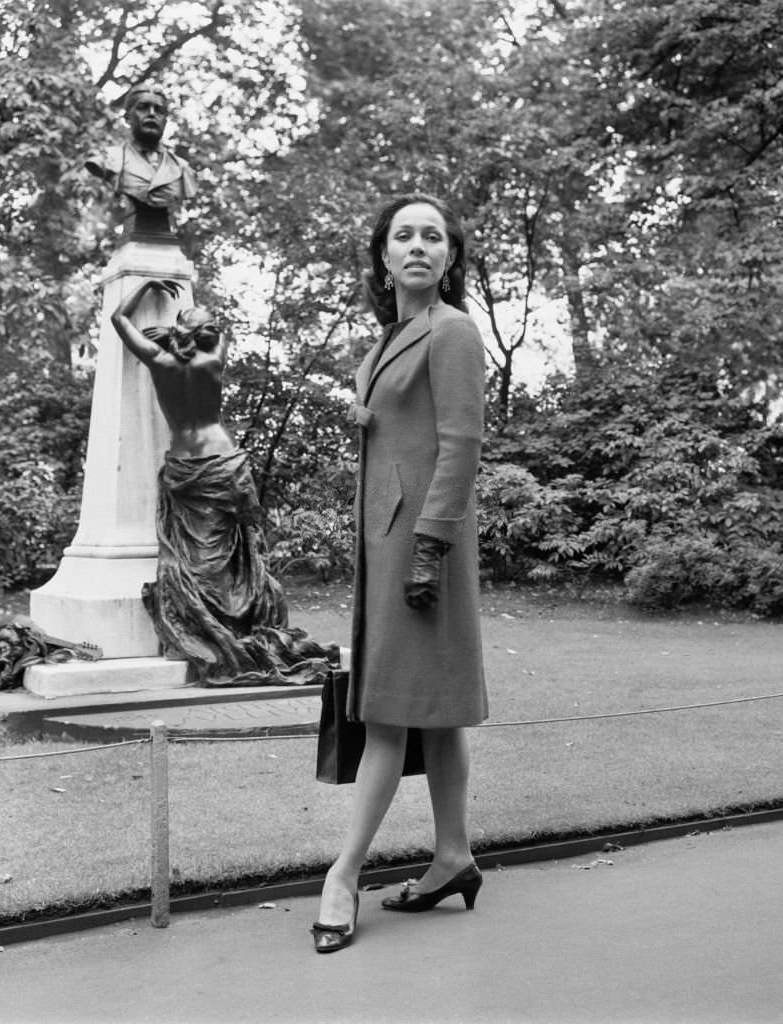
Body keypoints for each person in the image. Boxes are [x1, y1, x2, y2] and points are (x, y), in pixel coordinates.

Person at [311, 195, 488, 953]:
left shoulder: (452, 331)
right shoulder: (394, 335)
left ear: (450, 254)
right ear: (382, 256)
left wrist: (429, 547)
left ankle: (342, 877)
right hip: (389, 545)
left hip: (422, 548)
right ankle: (452, 856)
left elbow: (461, 445)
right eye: (402, 236)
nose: (417, 246)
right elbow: (408, 430)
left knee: (384, 711)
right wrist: (363, 413)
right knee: (435, 711)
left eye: (432, 236)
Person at [111, 279, 337, 685]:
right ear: (207, 334)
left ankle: (205, 620)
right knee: (237, 553)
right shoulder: (214, 358)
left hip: (185, 465)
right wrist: (187, 319)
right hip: (225, 462)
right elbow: (221, 331)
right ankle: (238, 617)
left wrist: (145, 286)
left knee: (196, 556)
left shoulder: (159, 364)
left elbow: (118, 318)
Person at [85, 83, 198, 234]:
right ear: (127, 118)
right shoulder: (108, 159)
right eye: (143, 107)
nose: (152, 114)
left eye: (159, 110)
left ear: (165, 120)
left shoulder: (183, 169)